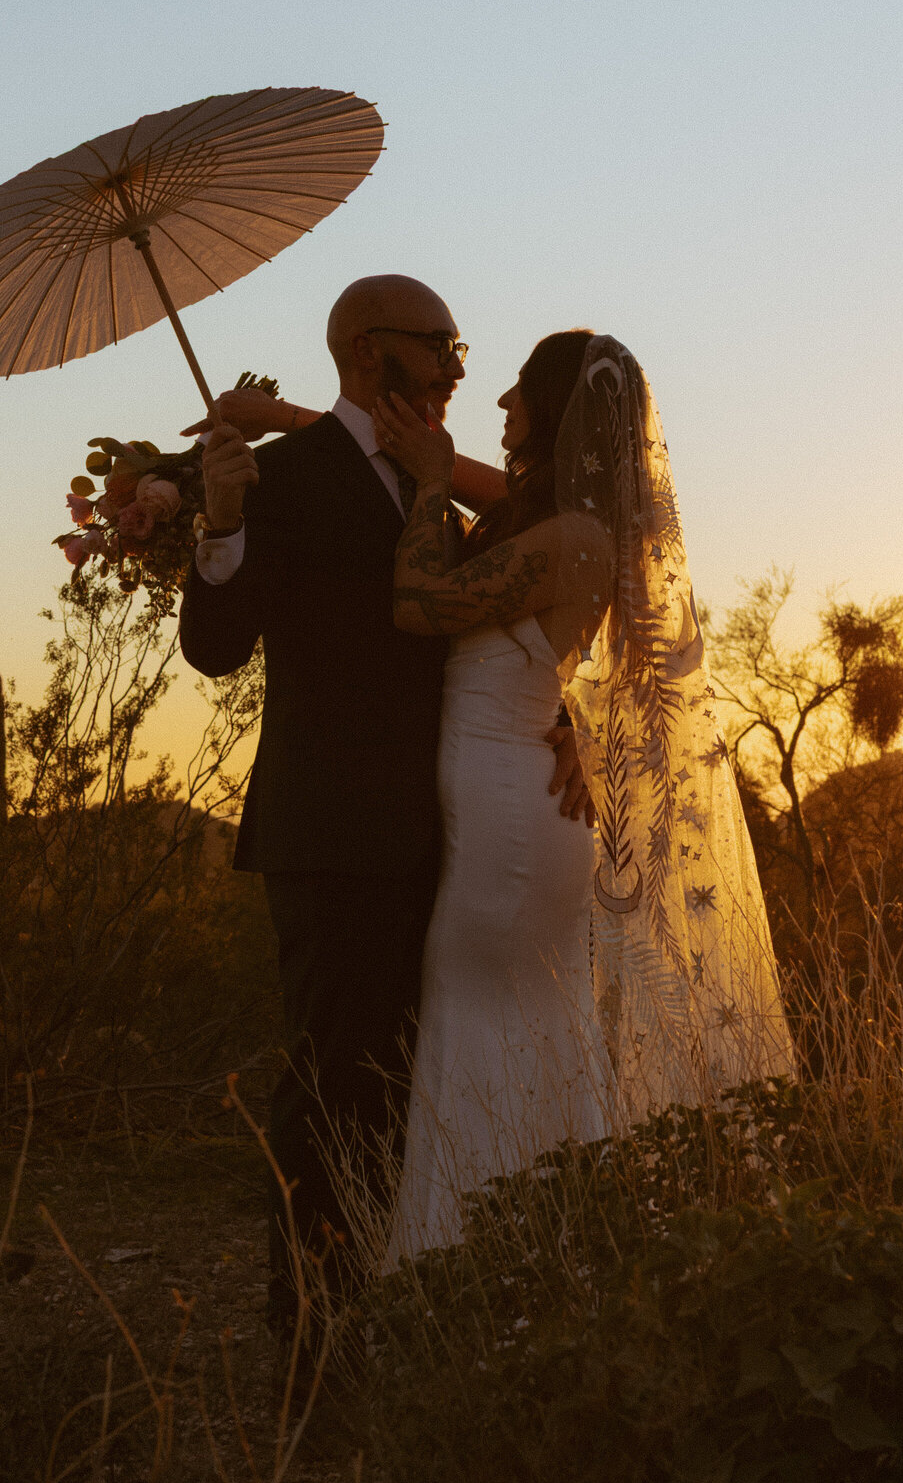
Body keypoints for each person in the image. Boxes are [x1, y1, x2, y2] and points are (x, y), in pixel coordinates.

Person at [178, 276, 591, 1349]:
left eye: (462, 349)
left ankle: (408, 1323)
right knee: (332, 1096)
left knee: (420, 1091)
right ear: (370, 353)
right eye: (440, 346)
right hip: (335, 837)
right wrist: (218, 519)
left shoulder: (435, 490)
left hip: (455, 841)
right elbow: (217, 649)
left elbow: (513, 616)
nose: (458, 367)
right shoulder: (281, 481)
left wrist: (570, 714)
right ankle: (315, 1353)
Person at [374, 331, 795, 1256]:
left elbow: (418, 602)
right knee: (519, 1028)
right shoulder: (555, 517)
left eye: (519, 391)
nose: (500, 406)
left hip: (510, 824)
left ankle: (483, 1263)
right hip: (505, 794)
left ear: (558, 412)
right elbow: (493, 492)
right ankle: (542, 1262)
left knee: (486, 1022)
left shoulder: (572, 538)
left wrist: (434, 481)